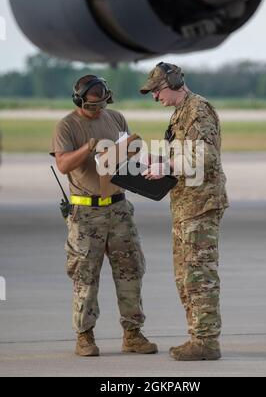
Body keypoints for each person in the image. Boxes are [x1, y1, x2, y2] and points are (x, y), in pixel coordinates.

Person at [50, 75, 157, 357]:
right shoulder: (67, 125)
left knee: (131, 269)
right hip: (86, 212)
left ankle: (132, 334)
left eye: (102, 104)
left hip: (119, 207)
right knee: (85, 275)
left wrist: (134, 150)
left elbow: (128, 155)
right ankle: (85, 336)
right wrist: (88, 148)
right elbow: (62, 165)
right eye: (92, 106)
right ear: (79, 101)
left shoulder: (116, 118)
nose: (98, 110)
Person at [140, 63, 229, 361]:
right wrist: (157, 159)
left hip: (200, 207)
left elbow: (204, 158)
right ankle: (198, 337)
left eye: (156, 90)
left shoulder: (197, 110)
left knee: (199, 274)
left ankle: (206, 342)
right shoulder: (181, 114)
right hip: (186, 205)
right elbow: (186, 155)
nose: (154, 97)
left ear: (174, 82)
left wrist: (165, 167)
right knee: (184, 275)